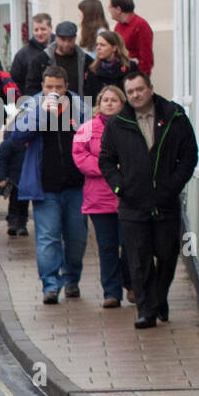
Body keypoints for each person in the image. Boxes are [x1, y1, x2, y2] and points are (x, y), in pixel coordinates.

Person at [99, 72, 198, 328]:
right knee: (138, 259)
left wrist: (173, 185)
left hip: (165, 201)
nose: (135, 95)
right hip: (132, 203)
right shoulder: (118, 123)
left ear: (150, 89)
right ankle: (147, 310)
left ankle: (159, 296)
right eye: (130, 92)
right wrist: (120, 187)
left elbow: (189, 155)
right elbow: (106, 160)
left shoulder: (174, 117)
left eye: (139, 89)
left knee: (167, 254)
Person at [10, 66, 89, 303]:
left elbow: (92, 136)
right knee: (48, 238)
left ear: (66, 87)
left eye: (58, 87)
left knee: (77, 239)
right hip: (45, 187)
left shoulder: (79, 105)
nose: (53, 91)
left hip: (76, 185)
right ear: (42, 87)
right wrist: (41, 114)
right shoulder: (32, 105)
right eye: (48, 87)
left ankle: (72, 280)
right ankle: (50, 286)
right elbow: (16, 135)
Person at [72, 85, 131, 309]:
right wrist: (107, 168)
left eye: (114, 100)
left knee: (129, 245)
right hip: (99, 199)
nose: (109, 103)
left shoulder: (130, 127)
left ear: (122, 104)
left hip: (127, 197)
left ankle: (131, 283)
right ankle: (111, 292)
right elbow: (79, 156)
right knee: (107, 247)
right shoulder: (87, 128)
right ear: (99, 103)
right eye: (105, 99)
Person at [25, 20, 93, 100]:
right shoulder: (41, 60)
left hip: (78, 107)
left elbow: (92, 87)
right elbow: (31, 88)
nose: (66, 44)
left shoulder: (86, 60)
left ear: (75, 38)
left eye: (70, 40)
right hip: (49, 107)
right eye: (63, 40)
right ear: (56, 37)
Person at [109, 0, 154, 78]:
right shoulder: (118, 26)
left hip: (133, 75)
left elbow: (146, 57)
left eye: (110, 7)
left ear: (118, 9)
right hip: (121, 74)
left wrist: (141, 77)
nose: (109, 10)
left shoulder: (140, 25)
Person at [10, 13, 52, 93]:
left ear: (50, 28)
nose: (39, 33)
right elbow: (13, 82)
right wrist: (12, 103)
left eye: (43, 29)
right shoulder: (22, 54)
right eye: (36, 30)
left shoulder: (58, 50)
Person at [84, 30, 133, 95]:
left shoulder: (129, 67)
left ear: (114, 48)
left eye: (102, 45)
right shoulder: (93, 69)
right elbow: (88, 97)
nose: (98, 48)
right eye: (97, 45)